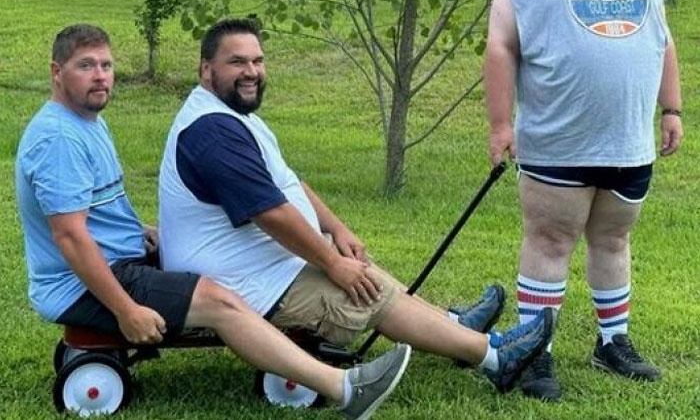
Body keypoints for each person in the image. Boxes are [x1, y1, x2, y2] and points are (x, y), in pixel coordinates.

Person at [15, 24, 416, 420]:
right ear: (56, 72)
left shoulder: (85, 123)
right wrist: (126, 311)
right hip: (79, 285)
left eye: (106, 65)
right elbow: (70, 237)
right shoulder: (60, 140)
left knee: (216, 282)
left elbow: (93, 212)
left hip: (113, 262)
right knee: (219, 299)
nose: (101, 76)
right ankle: (345, 389)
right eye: (86, 66)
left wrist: (141, 232)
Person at [158, 17, 553, 396]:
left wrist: (338, 230)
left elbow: (287, 182)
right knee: (365, 292)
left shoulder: (231, 116)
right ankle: (497, 358)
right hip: (239, 282)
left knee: (363, 272)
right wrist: (332, 263)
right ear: (206, 70)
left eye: (257, 60)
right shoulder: (211, 133)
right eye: (237, 62)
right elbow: (271, 213)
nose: (252, 71)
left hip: (258, 264)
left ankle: (458, 329)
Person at [484, 0, 683, 401]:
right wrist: (501, 125)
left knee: (613, 239)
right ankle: (534, 354)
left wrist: (672, 109)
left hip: (628, 143)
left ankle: (612, 342)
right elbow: (500, 46)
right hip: (557, 140)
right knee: (549, 242)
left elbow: (662, 41)